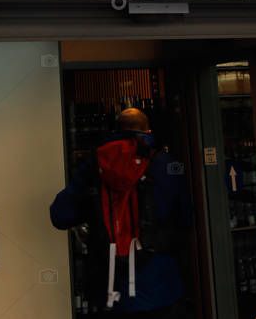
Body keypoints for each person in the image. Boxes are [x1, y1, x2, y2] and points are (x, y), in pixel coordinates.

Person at [51, 108, 192, 318]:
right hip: (160, 282)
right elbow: (187, 218)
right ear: (148, 131)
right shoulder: (167, 163)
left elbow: (60, 215)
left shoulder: (95, 164)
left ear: (116, 131)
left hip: (112, 286)